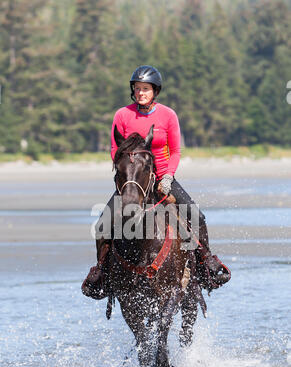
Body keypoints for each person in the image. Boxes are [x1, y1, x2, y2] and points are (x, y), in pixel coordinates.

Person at [82, 65, 230, 299]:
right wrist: (129, 174)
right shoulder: (122, 115)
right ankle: (102, 273)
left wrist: (168, 177)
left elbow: (176, 152)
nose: (141, 93)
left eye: (146, 89)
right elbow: (114, 149)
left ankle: (206, 265)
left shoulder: (168, 115)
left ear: (155, 91)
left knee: (196, 216)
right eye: (138, 88)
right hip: (132, 181)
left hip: (163, 178)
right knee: (103, 223)